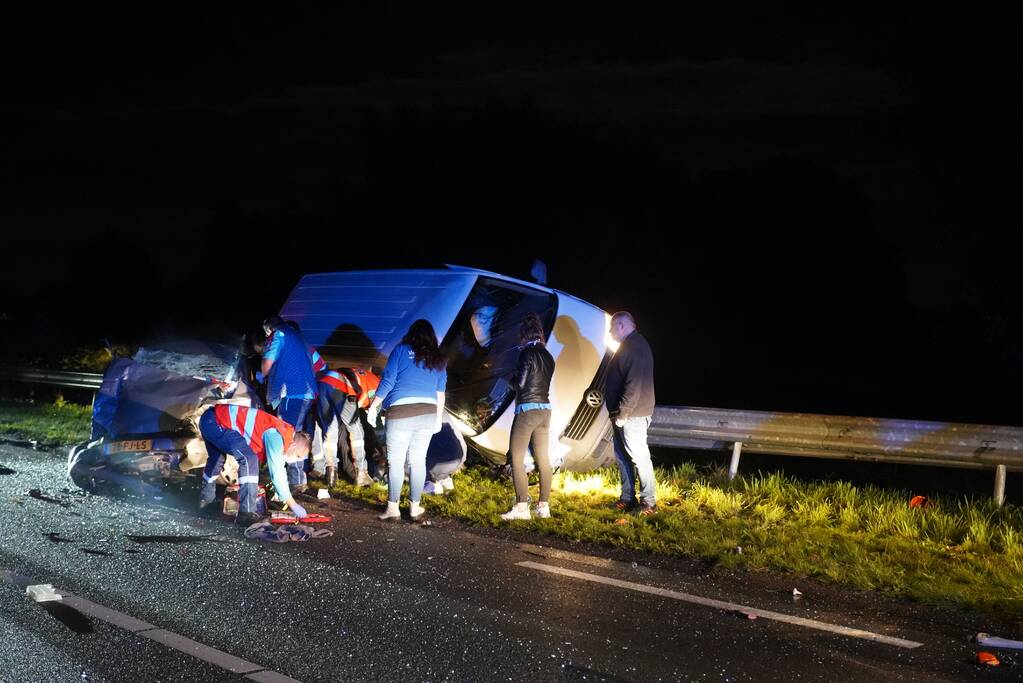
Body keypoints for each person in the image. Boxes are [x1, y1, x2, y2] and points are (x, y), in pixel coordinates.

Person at [365, 319, 447, 521]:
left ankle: (393, 510)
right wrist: (437, 418)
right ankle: (415, 508)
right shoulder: (438, 359)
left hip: (400, 412)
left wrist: (374, 406)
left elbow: (388, 381)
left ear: (411, 334)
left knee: (396, 462)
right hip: (428, 413)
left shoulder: (401, 351)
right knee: (418, 461)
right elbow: (440, 393)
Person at [197, 403, 311, 526]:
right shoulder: (276, 437)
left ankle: (205, 502)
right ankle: (246, 514)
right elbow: (277, 472)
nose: (296, 460)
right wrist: (292, 504)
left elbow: (278, 466)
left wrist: (281, 493)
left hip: (211, 418)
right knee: (249, 458)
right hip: (215, 421)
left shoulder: (283, 432)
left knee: (217, 459)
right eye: (298, 456)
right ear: (293, 445)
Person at [500, 312, 555, 520]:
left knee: (516, 458)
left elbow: (520, 385)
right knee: (543, 460)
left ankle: (522, 507)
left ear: (524, 334)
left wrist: (508, 378)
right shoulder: (548, 356)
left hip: (527, 411)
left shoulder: (527, 354)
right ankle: (543, 507)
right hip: (545, 411)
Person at [605, 311, 658, 515]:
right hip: (624, 413)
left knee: (639, 456)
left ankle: (649, 502)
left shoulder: (635, 347)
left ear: (621, 326)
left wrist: (624, 413)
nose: (610, 332)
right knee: (623, 456)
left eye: (612, 327)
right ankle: (627, 498)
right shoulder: (631, 345)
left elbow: (634, 384)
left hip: (632, 415)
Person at [260, 316, 318, 491]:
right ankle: (296, 479)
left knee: (288, 435)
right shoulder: (299, 337)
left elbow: (267, 365)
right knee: (296, 432)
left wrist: (261, 374)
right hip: (306, 390)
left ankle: (294, 481)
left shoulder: (278, 335)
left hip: (292, 391)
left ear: (269, 328)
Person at [315, 367, 380, 487]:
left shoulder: (368, 376)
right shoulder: (379, 386)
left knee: (330, 431)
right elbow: (374, 411)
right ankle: (361, 472)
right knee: (356, 428)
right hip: (342, 385)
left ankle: (331, 474)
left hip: (323, 383)